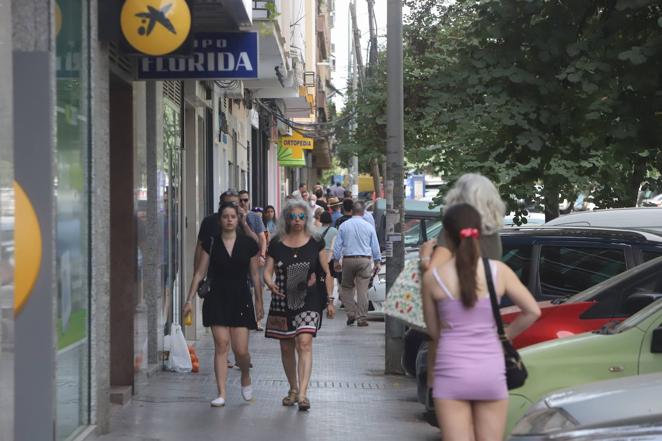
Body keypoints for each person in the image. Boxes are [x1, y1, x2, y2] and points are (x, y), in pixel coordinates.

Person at [421, 203, 540, 440]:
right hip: (490, 369)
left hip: (451, 370)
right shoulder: (498, 271)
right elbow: (532, 311)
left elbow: (434, 331)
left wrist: (426, 257)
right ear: (479, 231)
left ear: (447, 235)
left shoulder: (433, 278)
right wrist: (506, 334)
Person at [184, 203, 264, 407]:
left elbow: (255, 274)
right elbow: (200, 273)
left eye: (233, 216)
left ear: (238, 220)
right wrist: (189, 300)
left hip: (240, 297)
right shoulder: (211, 243)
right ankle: (221, 393)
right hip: (217, 297)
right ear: (220, 220)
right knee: (221, 344)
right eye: (225, 216)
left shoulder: (247, 244)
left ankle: (245, 375)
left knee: (241, 351)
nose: (229, 219)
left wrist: (259, 301)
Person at [263, 199, 336, 411]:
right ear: (286, 219)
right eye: (293, 217)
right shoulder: (276, 243)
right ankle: (293, 388)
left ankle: (303, 393)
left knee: (304, 342)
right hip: (282, 298)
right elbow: (268, 271)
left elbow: (327, 272)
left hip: (309, 299)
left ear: (307, 218)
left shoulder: (315, 241)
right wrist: (269, 282)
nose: (297, 220)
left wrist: (330, 300)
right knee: (286, 346)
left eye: (301, 216)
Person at [194, 189, 259, 368]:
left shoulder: (246, 220)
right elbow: (200, 248)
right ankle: (226, 356)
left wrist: (244, 224)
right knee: (221, 336)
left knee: (240, 337)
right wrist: (197, 275)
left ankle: (241, 356)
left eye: (237, 204)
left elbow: (256, 244)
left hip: (240, 284)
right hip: (217, 284)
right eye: (229, 204)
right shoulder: (209, 223)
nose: (234, 209)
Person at [419, 173, 506, 271]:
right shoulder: (493, 234)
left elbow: (433, 273)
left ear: (456, 197)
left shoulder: (453, 231)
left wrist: (425, 255)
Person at [333, 201, 381, 327]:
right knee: (362, 290)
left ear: (352, 211)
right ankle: (362, 318)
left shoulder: (344, 226)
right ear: (363, 212)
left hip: (348, 260)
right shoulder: (368, 226)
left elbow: (338, 245)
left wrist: (336, 260)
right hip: (364, 260)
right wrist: (377, 262)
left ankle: (351, 313)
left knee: (346, 288)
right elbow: (375, 246)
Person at [238, 190, 267, 264]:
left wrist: (262, 255)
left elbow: (262, 239)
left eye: (245, 200)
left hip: (254, 254)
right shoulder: (233, 216)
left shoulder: (255, 216)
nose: (243, 202)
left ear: (249, 201)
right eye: (240, 200)